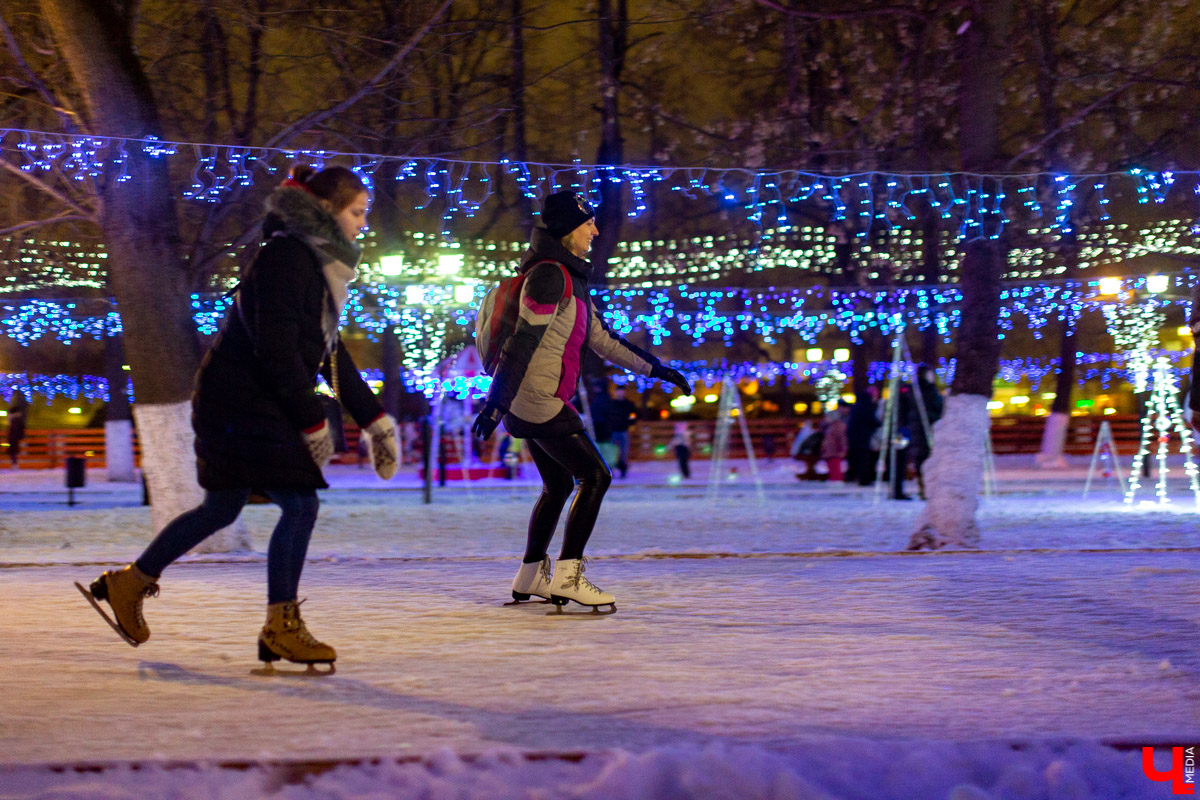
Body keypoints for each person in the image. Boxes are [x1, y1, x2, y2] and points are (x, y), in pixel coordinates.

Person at [78, 165, 399, 669]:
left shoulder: (316, 265)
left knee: (222, 508)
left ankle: (129, 583)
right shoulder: (287, 259)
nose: (363, 224)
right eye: (357, 213)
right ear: (327, 213)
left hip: (246, 402)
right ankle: (281, 626)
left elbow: (329, 356)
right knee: (300, 505)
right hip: (242, 405)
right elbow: (276, 350)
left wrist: (375, 419)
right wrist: (310, 420)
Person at [472, 191, 691, 610]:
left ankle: (531, 574)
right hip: (535, 398)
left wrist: (656, 370)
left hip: (528, 398)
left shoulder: (570, 279)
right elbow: (522, 342)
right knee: (596, 476)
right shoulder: (549, 276)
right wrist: (495, 404)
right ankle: (569, 575)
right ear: (568, 230)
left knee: (557, 485)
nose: (595, 229)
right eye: (587, 223)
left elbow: (602, 340)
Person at [909, 364, 944, 499]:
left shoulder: (913, 389)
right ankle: (928, 488)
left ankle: (924, 487)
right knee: (929, 456)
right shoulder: (929, 389)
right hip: (928, 427)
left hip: (916, 428)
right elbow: (938, 406)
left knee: (920, 458)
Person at [846, 387, 881, 486]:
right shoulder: (866, 405)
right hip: (862, 437)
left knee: (858, 458)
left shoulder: (858, 404)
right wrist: (879, 424)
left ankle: (856, 476)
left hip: (856, 437)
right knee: (864, 458)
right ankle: (864, 479)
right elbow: (871, 420)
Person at [608, 385, 638, 477]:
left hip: (624, 430)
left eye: (622, 391)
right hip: (613, 431)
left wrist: (630, 423)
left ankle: (623, 470)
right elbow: (608, 415)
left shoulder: (629, 404)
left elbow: (633, 415)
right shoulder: (612, 404)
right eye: (619, 391)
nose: (620, 393)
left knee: (624, 452)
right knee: (612, 452)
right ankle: (610, 470)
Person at [820, 406, 849, 482]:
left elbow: (841, 438)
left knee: (835, 466)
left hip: (835, 450)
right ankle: (833, 479)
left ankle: (837, 480)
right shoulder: (829, 426)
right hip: (829, 450)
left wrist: (843, 448)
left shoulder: (838, 426)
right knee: (831, 466)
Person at [6, 392, 28, 467]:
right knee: (13, 451)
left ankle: (15, 464)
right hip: (14, 437)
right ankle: (14, 463)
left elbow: (17, 429)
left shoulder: (15, 420)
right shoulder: (16, 420)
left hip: (14, 438)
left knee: (13, 451)